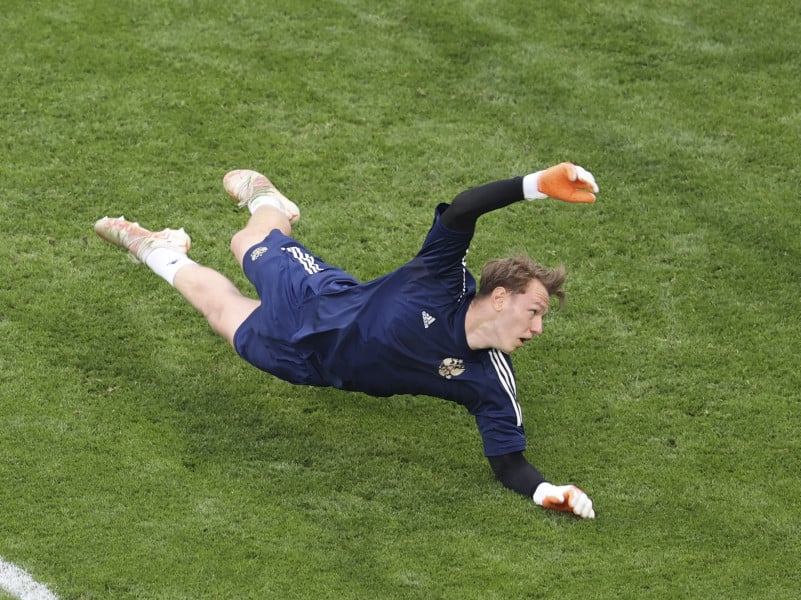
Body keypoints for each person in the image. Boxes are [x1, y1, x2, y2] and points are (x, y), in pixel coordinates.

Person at [94, 162, 599, 519]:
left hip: (310, 363)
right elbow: (464, 209)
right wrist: (536, 184)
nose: (537, 328)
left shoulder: (489, 380)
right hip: (315, 298)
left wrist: (546, 491)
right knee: (243, 240)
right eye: (534, 312)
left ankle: (158, 248)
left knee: (221, 313)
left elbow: (509, 463)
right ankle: (269, 200)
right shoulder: (442, 277)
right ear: (500, 297)